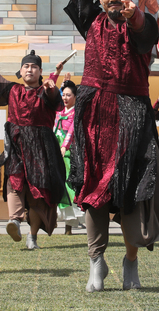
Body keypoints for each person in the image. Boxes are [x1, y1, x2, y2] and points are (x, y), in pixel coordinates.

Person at [64, 0, 159, 292]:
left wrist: (136, 17)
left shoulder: (145, 25)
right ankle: (96, 262)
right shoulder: (91, 20)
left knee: (132, 195)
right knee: (93, 191)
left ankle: (130, 262)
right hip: (94, 116)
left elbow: (146, 33)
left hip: (132, 119)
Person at [0, 33, 68, 250]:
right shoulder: (13, 90)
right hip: (17, 145)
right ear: (20, 72)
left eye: (34, 67)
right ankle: (14, 220)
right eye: (26, 67)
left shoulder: (46, 91)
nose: (29, 69)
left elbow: (54, 99)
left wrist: (51, 88)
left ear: (40, 72)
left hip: (42, 148)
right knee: (14, 181)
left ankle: (32, 236)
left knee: (38, 192)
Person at [54, 77, 85, 235]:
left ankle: (70, 226)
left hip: (70, 152)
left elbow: (72, 131)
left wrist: (64, 146)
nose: (65, 98)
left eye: (68, 95)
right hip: (56, 149)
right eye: (63, 95)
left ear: (75, 97)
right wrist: (61, 80)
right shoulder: (59, 110)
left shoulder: (76, 113)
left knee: (69, 184)